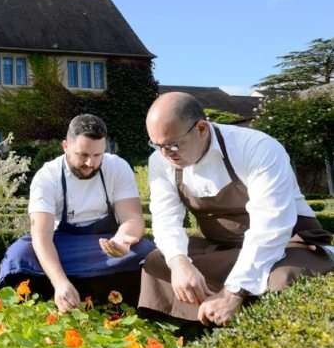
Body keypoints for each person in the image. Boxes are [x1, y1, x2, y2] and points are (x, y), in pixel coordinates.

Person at [139, 92, 333, 326]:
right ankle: (194, 324)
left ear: (201, 128)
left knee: (282, 279)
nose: (165, 154)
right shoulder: (160, 160)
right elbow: (165, 219)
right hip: (224, 248)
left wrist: (233, 293)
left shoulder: (257, 148)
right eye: (157, 145)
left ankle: (241, 316)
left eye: (173, 145)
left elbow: (270, 227)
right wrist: (179, 263)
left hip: (287, 244)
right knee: (158, 261)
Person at [0, 114, 155, 312]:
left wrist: (122, 242)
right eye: (83, 155)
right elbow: (42, 236)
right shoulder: (47, 176)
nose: (90, 163)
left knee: (146, 252)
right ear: (65, 146)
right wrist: (60, 282)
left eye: (97, 155)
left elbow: (132, 218)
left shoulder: (118, 167)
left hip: (104, 245)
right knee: (19, 254)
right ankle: (61, 291)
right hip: (63, 246)